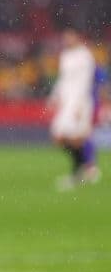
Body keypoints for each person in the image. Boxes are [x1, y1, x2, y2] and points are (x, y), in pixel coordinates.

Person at [49, 27, 97, 190]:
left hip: (79, 102)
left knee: (77, 138)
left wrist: (79, 105)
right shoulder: (65, 56)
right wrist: (54, 97)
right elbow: (63, 80)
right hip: (66, 102)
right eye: (65, 37)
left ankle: (78, 173)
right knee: (59, 138)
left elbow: (85, 82)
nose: (67, 40)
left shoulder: (85, 56)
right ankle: (85, 167)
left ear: (77, 37)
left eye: (70, 36)